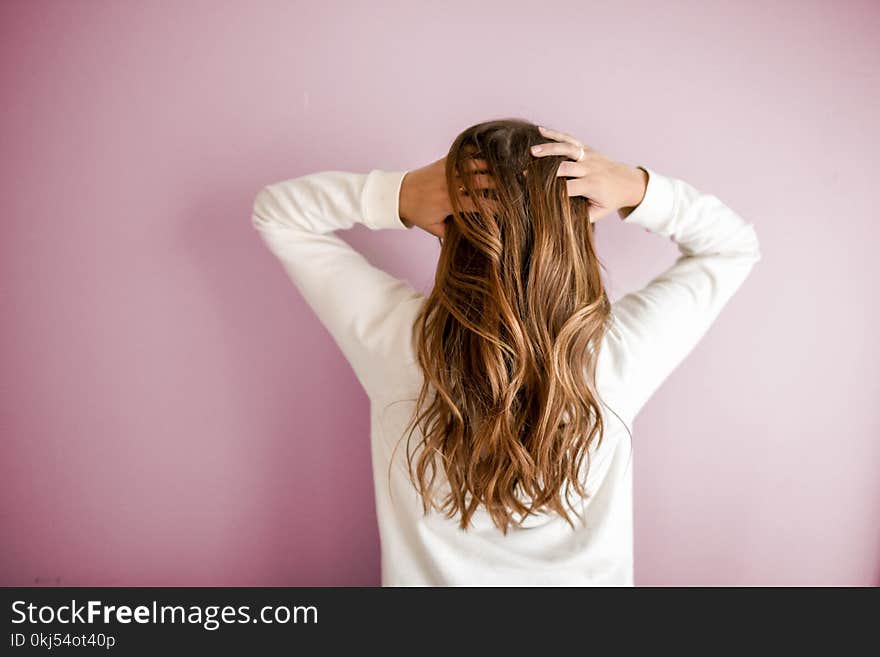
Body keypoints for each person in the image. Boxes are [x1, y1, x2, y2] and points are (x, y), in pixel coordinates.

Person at [250, 119, 762, 586]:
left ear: (449, 225)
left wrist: (399, 194)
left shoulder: (401, 344)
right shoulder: (613, 358)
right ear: (578, 232)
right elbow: (733, 246)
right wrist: (635, 188)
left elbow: (278, 213)